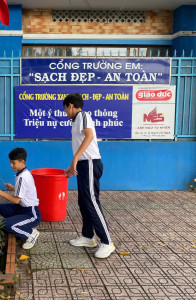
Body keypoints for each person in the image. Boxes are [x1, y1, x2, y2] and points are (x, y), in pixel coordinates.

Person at [63, 93, 115, 259]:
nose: (65, 112)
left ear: (70, 105)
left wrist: (75, 158)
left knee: (92, 201)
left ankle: (107, 242)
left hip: (91, 162)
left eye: (65, 108)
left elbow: (89, 135)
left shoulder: (82, 115)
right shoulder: (76, 120)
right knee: (84, 201)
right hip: (85, 164)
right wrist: (73, 165)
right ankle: (87, 236)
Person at [0, 148, 41, 250]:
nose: (11, 165)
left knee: (6, 224)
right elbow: (25, 191)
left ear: (22, 162)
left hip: (31, 213)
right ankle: (19, 223)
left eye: (13, 163)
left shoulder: (23, 176)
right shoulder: (22, 173)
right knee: (0, 208)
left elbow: (16, 200)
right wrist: (14, 188)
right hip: (21, 208)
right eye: (10, 162)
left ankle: (31, 234)